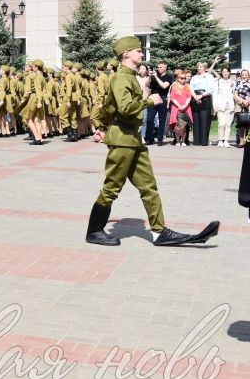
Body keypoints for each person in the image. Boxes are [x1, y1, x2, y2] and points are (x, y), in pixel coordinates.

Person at [85, 36, 218, 247]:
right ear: (126, 54)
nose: (141, 53)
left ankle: (159, 232)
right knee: (111, 188)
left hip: (133, 140)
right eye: (138, 50)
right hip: (122, 141)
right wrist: (150, 100)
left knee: (149, 187)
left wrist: (100, 126)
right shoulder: (121, 77)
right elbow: (124, 108)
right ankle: (94, 231)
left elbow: (109, 107)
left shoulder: (128, 77)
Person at [189, 60, 218, 146]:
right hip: (195, 98)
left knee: (205, 120)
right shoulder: (194, 77)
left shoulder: (209, 77)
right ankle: (196, 141)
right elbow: (191, 88)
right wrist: (195, 97)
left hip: (205, 98)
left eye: (200, 66)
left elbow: (211, 89)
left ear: (205, 68)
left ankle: (204, 141)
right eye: (198, 66)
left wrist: (201, 96)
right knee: (196, 119)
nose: (198, 68)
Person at [168, 71, 194, 146]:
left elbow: (189, 97)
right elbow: (172, 97)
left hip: (186, 108)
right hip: (176, 108)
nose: (183, 80)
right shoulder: (174, 86)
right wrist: (179, 105)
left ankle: (183, 141)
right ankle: (177, 141)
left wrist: (185, 105)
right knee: (177, 125)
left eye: (185, 78)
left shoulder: (188, 86)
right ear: (178, 78)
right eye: (182, 78)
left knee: (184, 125)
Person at [212, 66, 236, 147]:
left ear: (229, 73)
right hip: (220, 105)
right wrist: (215, 105)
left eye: (227, 71)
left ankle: (226, 140)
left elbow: (234, 94)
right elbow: (215, 94)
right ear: (221, 73)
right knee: (221, 123)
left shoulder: (233, 82)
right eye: (224, 71)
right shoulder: (218, 82)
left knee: (228, 124)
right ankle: (220, 140)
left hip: (230, 105)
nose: (225, 73)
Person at [235, 69, 250, 148]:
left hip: (249, 104)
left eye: (246, 74)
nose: (244, 76)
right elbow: (235, 95)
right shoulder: (238, 83)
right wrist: (242, 101)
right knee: (240, 124)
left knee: (249, 124)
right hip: (240, 105)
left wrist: (248, 101)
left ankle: (248, 140)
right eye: (243, 75)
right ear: (240, 76)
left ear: (248, 75)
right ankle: (242, 141)